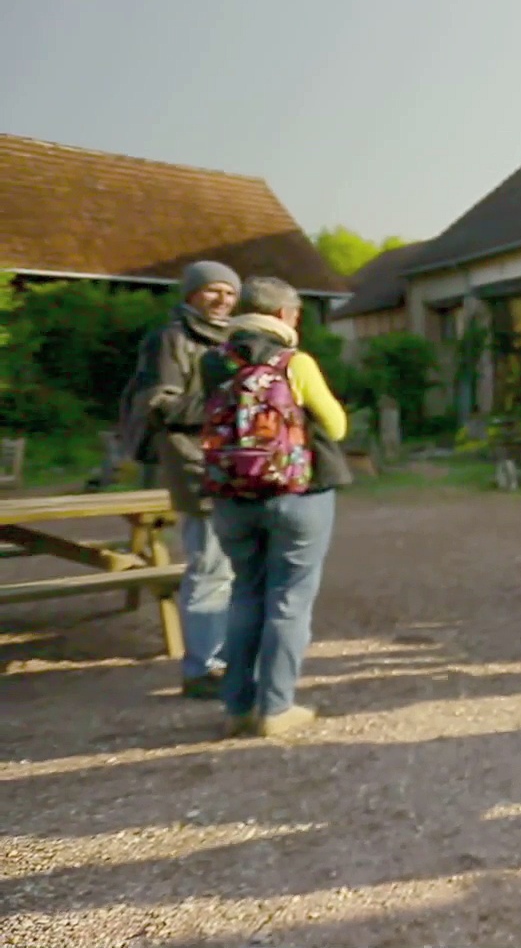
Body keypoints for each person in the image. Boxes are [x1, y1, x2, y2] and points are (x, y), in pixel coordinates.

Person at [199, 277, 349, 739]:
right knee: (289, 599)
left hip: (232, 496)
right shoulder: (294, 361)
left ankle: (238, 707)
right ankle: (276, 707)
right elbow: (336, 426)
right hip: (296, 493)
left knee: (246, 593)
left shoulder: (213, 361)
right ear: (284, 315)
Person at [126, 259, 239, 699]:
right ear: (190, 293)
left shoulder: (236, 339)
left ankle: (229, 658)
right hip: (194, 465)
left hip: (236, 467)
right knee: (209, 566)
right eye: (213, 290)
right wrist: (228, 402)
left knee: (235, 568)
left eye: (229, 293)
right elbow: (158, 404)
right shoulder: (170, 339)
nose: (222, 300)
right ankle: (202, 669)